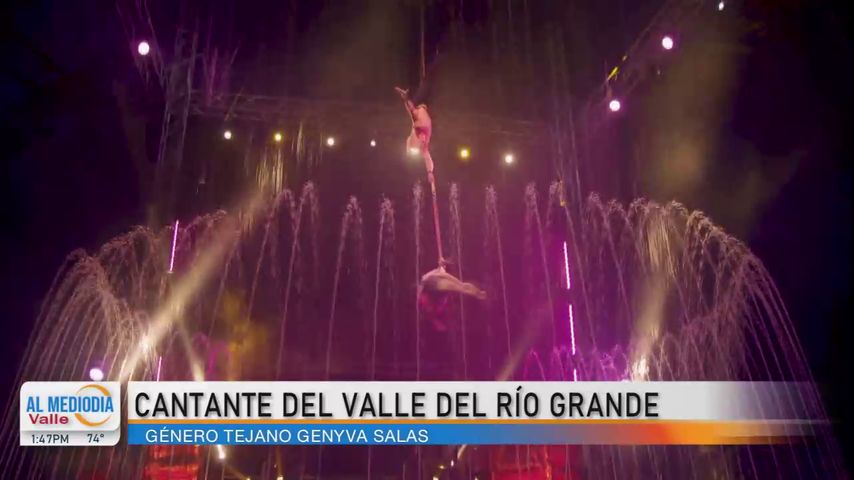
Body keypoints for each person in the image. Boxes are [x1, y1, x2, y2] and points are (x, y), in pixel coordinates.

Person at [417, 258, 486, 328]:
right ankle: (479, 293)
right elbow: (427, 279)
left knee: (462, 287)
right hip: (433, 281)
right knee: (462, 286)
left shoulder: (428, 307)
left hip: (432, 284)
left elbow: (426, 281)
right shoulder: (436, 307)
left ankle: (479, 294)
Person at [395, 86, 434, 175]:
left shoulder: (416, 128)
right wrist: (430, 172)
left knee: (414, 111)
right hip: (425, 107)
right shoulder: (424, 147)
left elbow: (411, 111)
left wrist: (405, 99)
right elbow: (428, 159)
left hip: (419, 106)